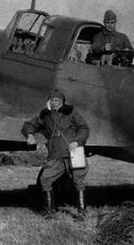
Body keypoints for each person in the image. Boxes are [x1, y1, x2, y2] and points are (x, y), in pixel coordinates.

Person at [21, 89, 90, 217]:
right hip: (56, 156)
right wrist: (29, 134)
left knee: (78, 182)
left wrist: (77, 141)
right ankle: (50, 212)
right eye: (52, 100)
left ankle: (82, 212)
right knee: (45, 179)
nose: (54, 103)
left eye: (57, 100)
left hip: (73, 153)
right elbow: (29, 125)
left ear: (62, 102)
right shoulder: (45, 115)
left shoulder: (71, 112)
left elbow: (84, 128)